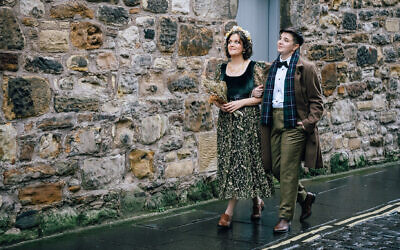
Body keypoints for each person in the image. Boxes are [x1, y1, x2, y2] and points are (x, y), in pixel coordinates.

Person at [252, 27, 324, 233]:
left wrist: (308, 123)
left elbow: (317, 102)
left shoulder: (306, 68)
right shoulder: (272, 67)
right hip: (272, 121)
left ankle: (285, 217)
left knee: (289, 169)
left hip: (294, 124)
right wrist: (256, 91)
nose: (280, 42)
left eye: (286, 40)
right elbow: (266, 92)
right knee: (275, 167)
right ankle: (304, 197)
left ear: (295, 46)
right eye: (280, 38)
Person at [212, 26, 273, 228]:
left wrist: (242, 102)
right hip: (226, 123)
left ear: (245, 46)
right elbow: (215, 96)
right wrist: (220, 103)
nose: (232, 44)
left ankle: (228, 212)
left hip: (247, 121)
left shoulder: (254, 67)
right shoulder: (222, 69)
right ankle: (257, 202)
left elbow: (261, 98)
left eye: (237, 42)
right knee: (235, 162)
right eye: (230, 41)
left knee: (242, 162)